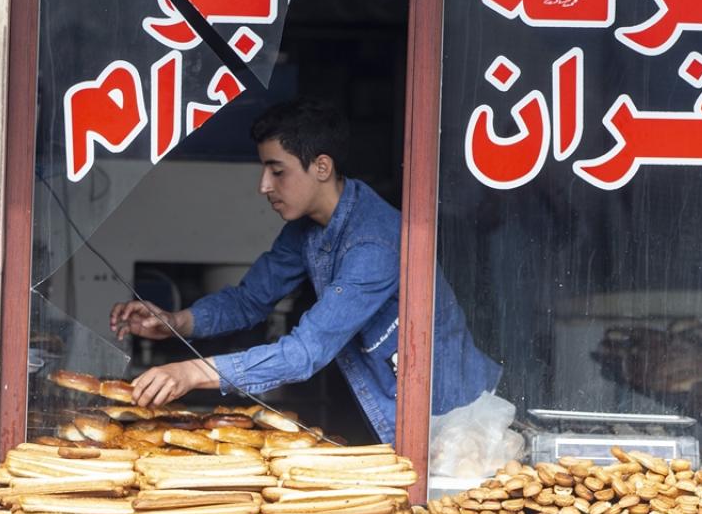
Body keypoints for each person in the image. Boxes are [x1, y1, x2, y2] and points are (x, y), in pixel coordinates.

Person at [110, 98, 500, 444]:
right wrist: (175, 321)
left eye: (277, 171)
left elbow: (304, 353)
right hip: (392, 412)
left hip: (457, 425)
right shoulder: (306, 230)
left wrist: (192, 372)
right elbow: (249, 301)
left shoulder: (375, 244)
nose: (264, 185)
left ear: (322, 167)